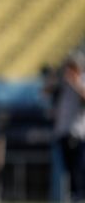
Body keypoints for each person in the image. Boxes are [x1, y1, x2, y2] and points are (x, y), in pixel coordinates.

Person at [52, 56, 85, 201]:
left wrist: (75, 82)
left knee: (79, 166)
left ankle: (80, 195)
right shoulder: (63, 83)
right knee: (69, 168)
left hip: (77, 132)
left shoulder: (81, 80)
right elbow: (46, 91)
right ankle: (74, 195)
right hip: (63, 131)